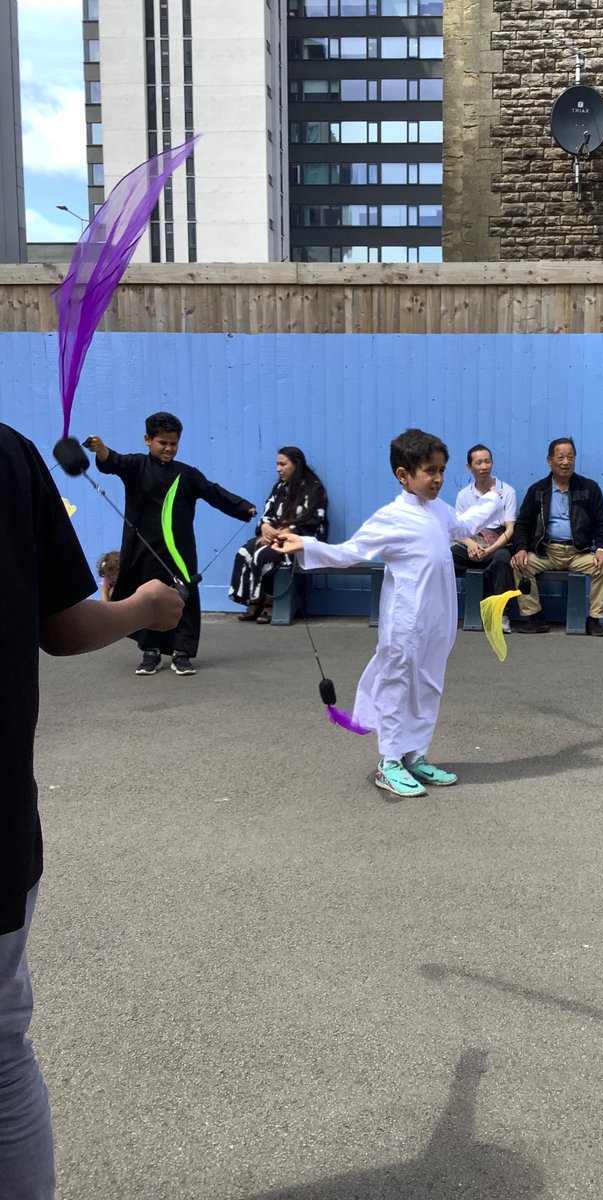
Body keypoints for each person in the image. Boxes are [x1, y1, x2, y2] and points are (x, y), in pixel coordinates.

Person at [0, 422, 183, 1200]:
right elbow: (63, 625)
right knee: (3, 1058)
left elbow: (201, 490)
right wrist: (144, 606)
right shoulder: (11, 454)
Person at [275, 428, 502, 798]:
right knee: (398, 684)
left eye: (442, 470)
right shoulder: (391, 517)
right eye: (429, 471)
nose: (438, 479)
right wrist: (307, 543)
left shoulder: (440, 510)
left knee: (429, 683)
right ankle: (390, 761)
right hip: (406, 622)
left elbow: (464, 525)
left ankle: (415, 755)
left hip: (439, 617)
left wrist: (492, 499)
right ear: (403, 475)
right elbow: (350, 552)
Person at [84, 411, 256, 676]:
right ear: (147, 440)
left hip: (180, 551)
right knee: (147, 601)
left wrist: (245, 508)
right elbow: (111, 462)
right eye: (162, 442)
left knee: (184, 597)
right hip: (144, 550)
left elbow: (214, 493)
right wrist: (100, 448)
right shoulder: (136, 466)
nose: (168, 448)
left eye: (173, 443)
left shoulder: (186, 474)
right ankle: (150, 651)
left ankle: (182, 652)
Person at [511, 437, 603, 636]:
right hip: (546, 552)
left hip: (579, 552)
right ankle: (534, 617)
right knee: (519, 563)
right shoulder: (538, 490)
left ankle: (594, 620)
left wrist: (601, 549)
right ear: (549, 460)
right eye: (560, 457)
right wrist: (521, 548)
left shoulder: (589, 488)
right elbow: (522, 524)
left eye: (570, 457)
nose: (566, 462)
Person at [229, 446, 328, 624]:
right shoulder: (280, 487)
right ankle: (254, 599)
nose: (278, 468)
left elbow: (315, 519)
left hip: (299, 541)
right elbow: (268, 511)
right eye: (277, 464)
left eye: (283, 464)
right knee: (244, 552)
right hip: (276, 537)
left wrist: (289, 531)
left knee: (265, 555)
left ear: (296, 465)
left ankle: (270, 601)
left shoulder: (314, 489)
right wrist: (266, 527)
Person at [452, 444, 517, 632]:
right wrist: (470, 544)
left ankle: (502, 615)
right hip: (472, 544)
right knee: (444, 558)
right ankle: (435, 612)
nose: (483, 467)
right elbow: (458, 530)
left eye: (487, 462)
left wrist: (489, 550)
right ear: (469, 467)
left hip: (498, 543)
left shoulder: (508, 492)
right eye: (478, 462)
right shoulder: (464, 495)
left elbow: (510, 530)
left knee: (502, 560)